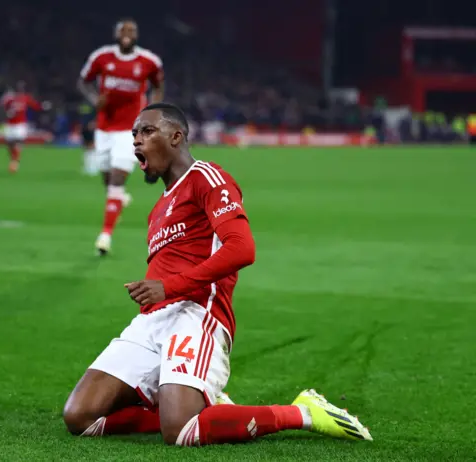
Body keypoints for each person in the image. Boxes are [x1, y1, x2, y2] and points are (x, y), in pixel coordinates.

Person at [63, 103, 372, 446]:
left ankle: (302, 412)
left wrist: (169, 287)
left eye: (147, 131)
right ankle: (203, 405)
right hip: (151, 322)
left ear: (176, 136)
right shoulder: (158, 209)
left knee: (179, 430)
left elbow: (242, 249)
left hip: (197, 315)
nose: (136, 140)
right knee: (81, 417)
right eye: (134, 133)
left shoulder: (205, 177)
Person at [78, 18, 165, 255]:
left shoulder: (149, 61)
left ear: (136, 35)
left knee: (117, 179)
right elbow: (83, 82)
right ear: (116, 34)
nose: (127, 34)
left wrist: (153, 112)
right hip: (104, 128)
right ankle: (118, 199)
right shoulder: (101, 57)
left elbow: (158, 84)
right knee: (108, 180)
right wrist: (94, 100)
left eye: (132, 31)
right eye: (123, 30)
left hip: (131, 129)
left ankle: (105, 235)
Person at [0, 81, 50, 173]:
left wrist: (43, 107)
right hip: (10, 124)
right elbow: (2, 108)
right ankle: (13, 159)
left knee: (17, 143)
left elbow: (35, 106)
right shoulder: (8, 98)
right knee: (10, 144)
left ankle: (15, 162)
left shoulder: (25, 98)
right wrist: (7, 113)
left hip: (20, 124)